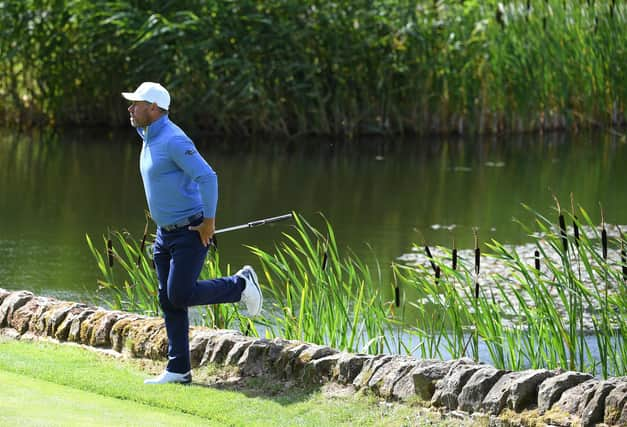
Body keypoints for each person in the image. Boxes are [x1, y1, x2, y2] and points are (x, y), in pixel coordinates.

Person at [121, 82, 263, 385]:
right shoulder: (147, 134)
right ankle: (178, 370)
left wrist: (209, 223)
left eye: (137, 104)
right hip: (165, 233)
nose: (130, 108)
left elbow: (207, 176)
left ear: (155, 108)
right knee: (168, 299)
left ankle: (240, 284)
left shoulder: (173, 139)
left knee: (179, 294)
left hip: (191, 230)